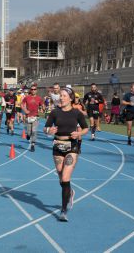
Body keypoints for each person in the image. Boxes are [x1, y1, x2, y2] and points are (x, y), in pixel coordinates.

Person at [44, 87, 89, 221]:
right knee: (60, 175)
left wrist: (79, 133)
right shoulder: (54, 112)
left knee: (65, 177)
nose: (61, 98)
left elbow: (86, 128)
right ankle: (70, 191)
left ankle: (63, 211)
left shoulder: (77, 113)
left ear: (70, 98)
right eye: (60, 96)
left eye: (64, 96)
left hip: (72, 146)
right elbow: (45, 127)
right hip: (57, 145)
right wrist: (49, 131)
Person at [22, 84, 44, 152]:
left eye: (34, 89)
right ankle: (28, 135)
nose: (33, 90)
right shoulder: (27, 97)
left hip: (35, 117)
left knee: (34, 131)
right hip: (28, 117)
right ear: (30, 90)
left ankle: (32, 145)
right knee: (29, 132)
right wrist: (25, 110)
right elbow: (22, 104)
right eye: (32, 89)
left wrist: (43, 108)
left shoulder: (39, 98)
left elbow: (42, 105)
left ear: (36, 90)